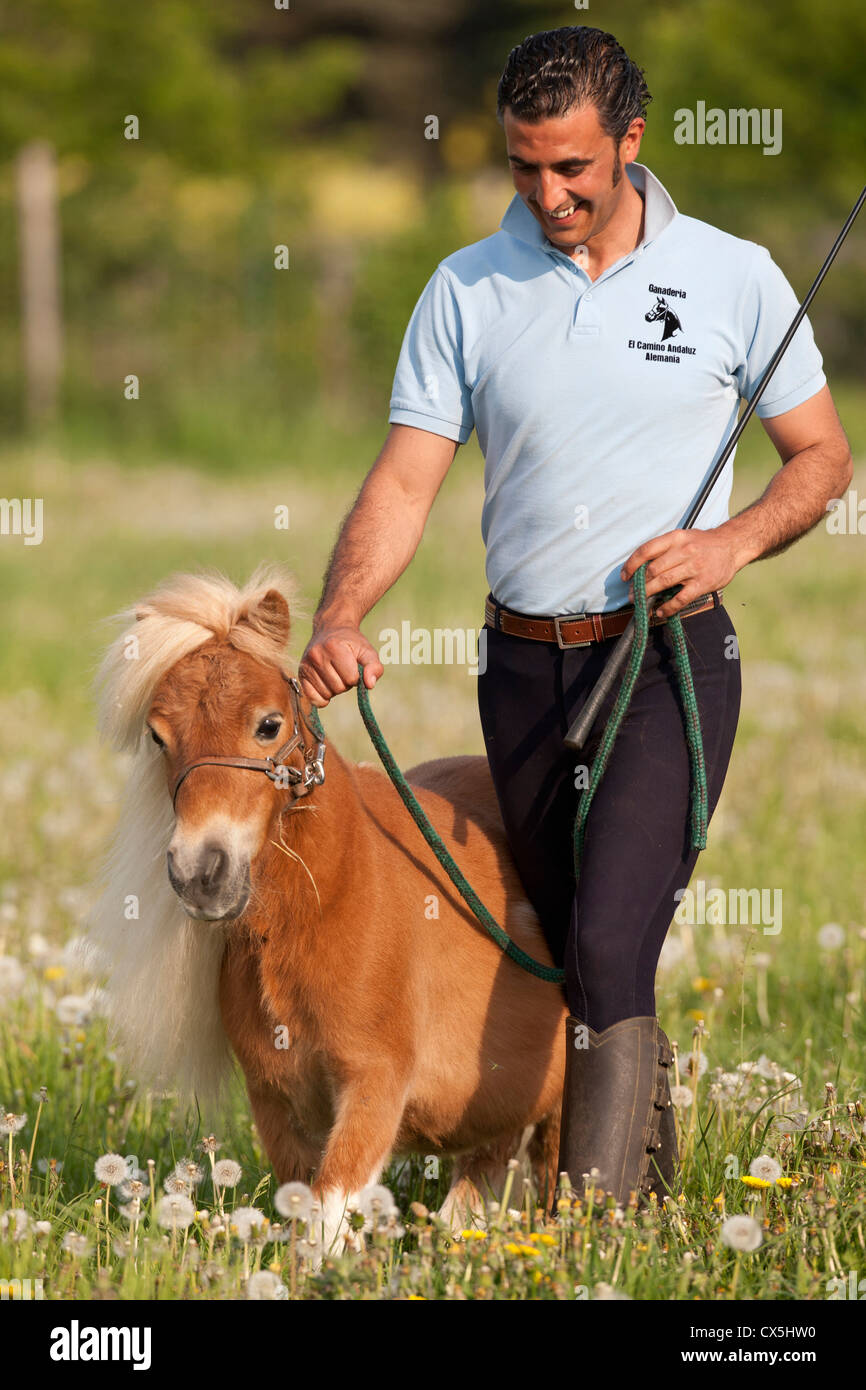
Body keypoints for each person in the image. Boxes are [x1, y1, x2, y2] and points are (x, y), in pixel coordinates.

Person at [297, 26, 852, 1208]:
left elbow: (819, 457)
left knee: (605, 938)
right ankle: (634, 1184)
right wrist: (340, 612)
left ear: (629, 142)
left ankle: (596, 1226)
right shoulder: (464, 288)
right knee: (568, 940)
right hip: (523, 670)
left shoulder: (734, 276)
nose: (545, 194)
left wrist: (728, 542)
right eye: (522, 167)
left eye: (571, 169)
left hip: (667, 661)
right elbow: (404, 481)